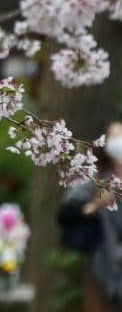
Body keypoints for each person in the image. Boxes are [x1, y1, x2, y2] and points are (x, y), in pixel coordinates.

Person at [58, 122, 122, 312]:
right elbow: (65, 213)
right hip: (100, 262)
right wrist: (95, 204)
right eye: (114, 136)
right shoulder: (94, 177)